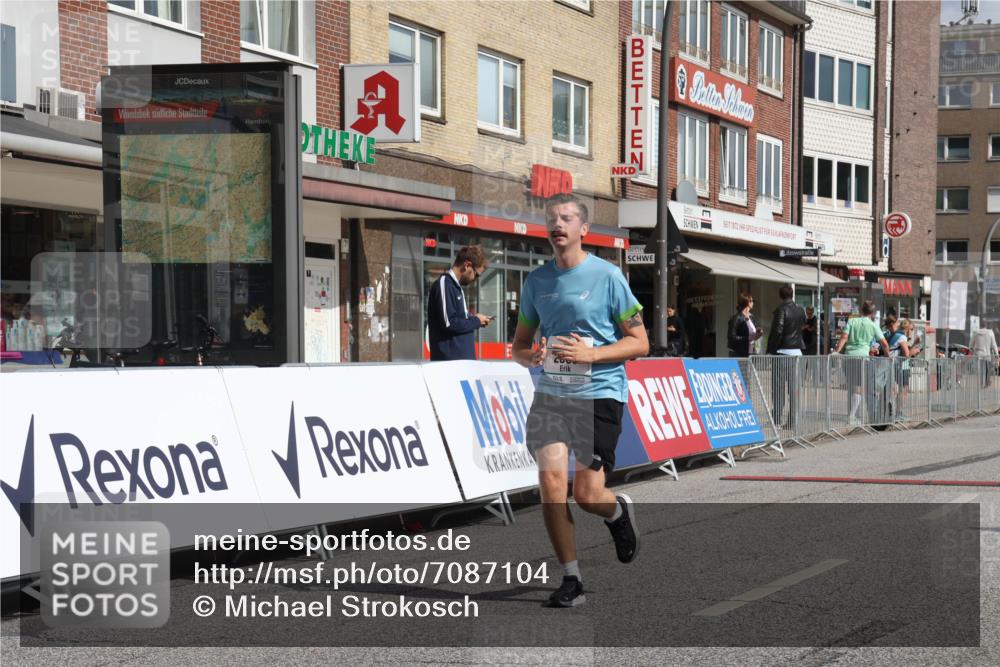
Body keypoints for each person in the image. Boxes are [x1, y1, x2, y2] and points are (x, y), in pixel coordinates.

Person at [511, 193, 648, 608]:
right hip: (552, 394)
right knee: (551, 484)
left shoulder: (609, 277)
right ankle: (571, 579)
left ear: (583, 229)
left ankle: (616, 513)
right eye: (552, 218)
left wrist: (591, 354)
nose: (558, 223)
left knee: (587, 494)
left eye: (567, 218)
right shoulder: (537, 282)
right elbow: (519, 346)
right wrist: (531, 356)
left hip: (599, 393)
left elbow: (640, 342)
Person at [426, 246, 493, 361]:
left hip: (462, 363)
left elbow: (457, 320)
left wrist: (474, 319)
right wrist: (476, 321)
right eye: (476, 274)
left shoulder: (456, 287)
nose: (476, 279)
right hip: (450, 364)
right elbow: (449, 323)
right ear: (467, 265)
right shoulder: (444, 284)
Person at [833, 301, 890, 426]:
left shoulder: (852, 321)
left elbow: (844, 337)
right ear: (872, 313)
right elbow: (884, 343)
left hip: (848, 357)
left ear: (861, 310)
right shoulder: (873, 325)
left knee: (852, 386)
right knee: (859, 388)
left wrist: (836, 351)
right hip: (863, 358)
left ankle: (854, 415)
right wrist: (888, 356)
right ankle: (852, 416)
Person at [766, 285, 806, 429]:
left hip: (782, 352)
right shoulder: (800, 310)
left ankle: (776, 419)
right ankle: (792, 421)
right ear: (792, 294)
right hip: (797, 353)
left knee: (778, 388)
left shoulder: (781, 310)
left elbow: (777, 331)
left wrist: (771, 350)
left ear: (780, 295)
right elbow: (801, 326)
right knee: (794, 389)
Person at [727, 293, 763, 357]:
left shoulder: (751, 317)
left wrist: (758, 331)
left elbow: (755, 329)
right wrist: (748, 338)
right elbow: (731, 336)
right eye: (752, 301)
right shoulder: (736, 318)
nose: (753, 303)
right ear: (747, 302)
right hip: (738, 352)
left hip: (750, 352)